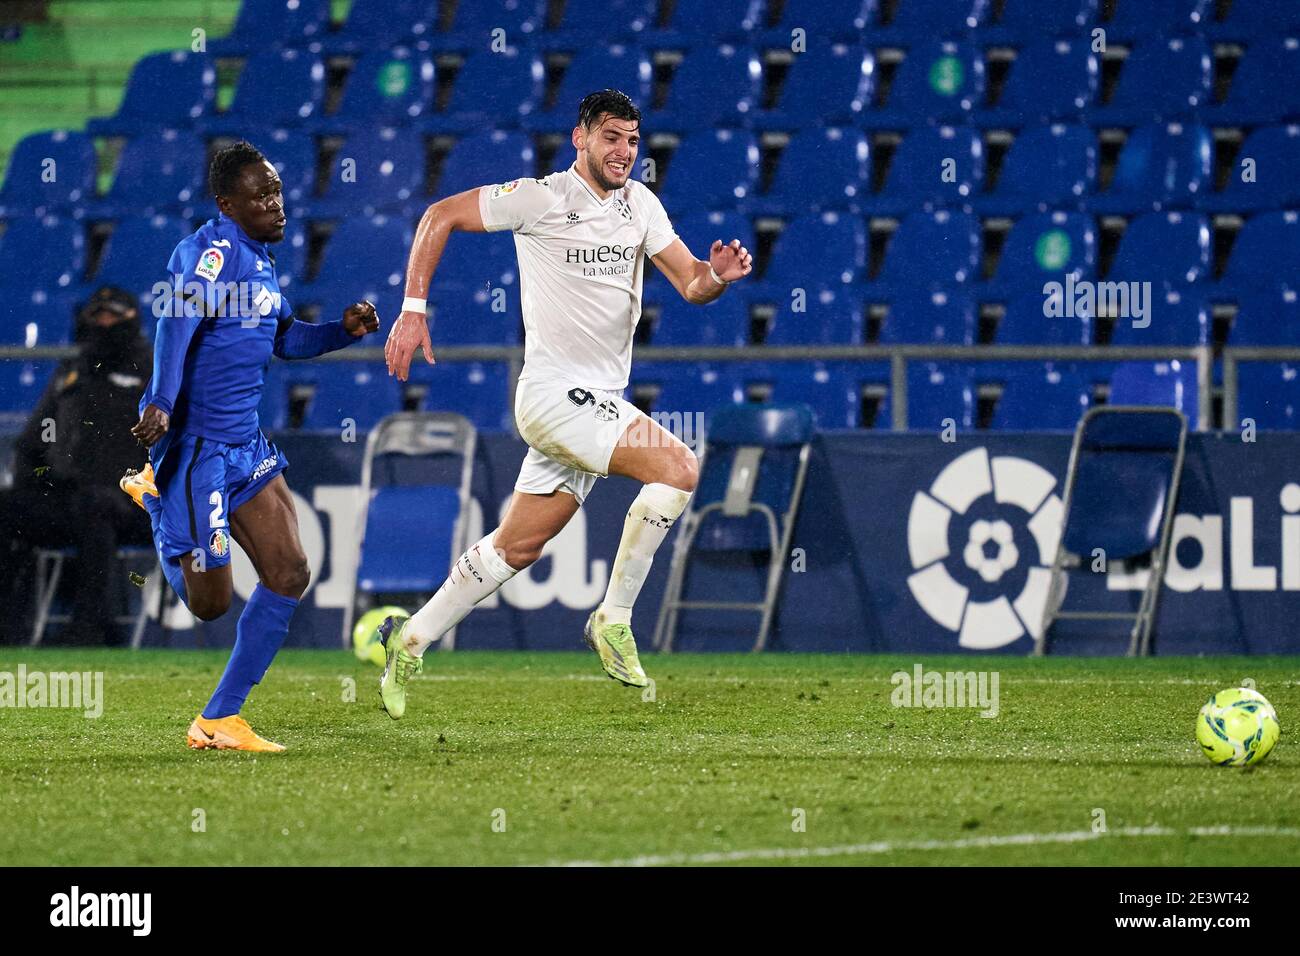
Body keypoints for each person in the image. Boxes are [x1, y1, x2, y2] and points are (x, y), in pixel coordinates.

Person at [378, 88, 753, 718]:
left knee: (518, 547)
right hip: (553, 397)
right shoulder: (541, 198)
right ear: (580, 138)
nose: (624, 151)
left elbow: (690, 284)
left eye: (633, 140)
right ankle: (614, 617)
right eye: (612, 136)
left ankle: (411, 639)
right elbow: (438, 216)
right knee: (680, 467)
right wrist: (413, 312)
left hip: (595, 402)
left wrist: (715, 276)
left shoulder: (641, 206)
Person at [119, 141, 380, 752]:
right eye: (261, 196)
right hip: (197, 450)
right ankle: (159, 503)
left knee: (290, 570)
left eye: (278, 193)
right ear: (227, 203)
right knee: (209, 603)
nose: (276, 205)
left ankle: (218, 720)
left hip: (245, 445)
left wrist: (342, 332)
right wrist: (159, 400)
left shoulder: (259, 263)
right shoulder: (212, 251)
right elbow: (176, 316)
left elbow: (286, 340)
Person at [0, 287, 154, 645]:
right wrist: (34, 478)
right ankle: (8, 627)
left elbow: (176, 444)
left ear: (132, 320)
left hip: (137, 503)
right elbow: (35, 439)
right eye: (97, 316)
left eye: (113, 316)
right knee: (7, 508)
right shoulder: (72, 372)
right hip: (72, 496)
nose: (104, 323)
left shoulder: (154, 371)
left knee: (96, 507)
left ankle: (89, 627)